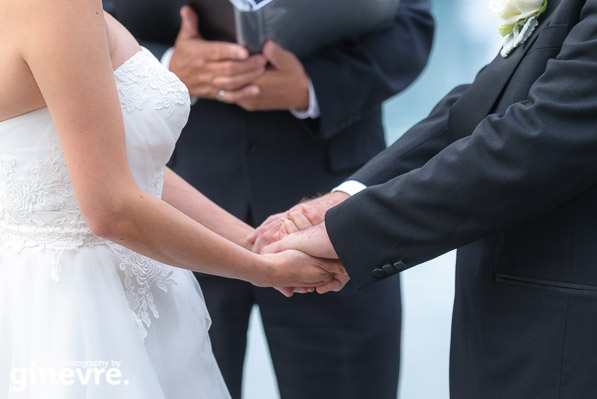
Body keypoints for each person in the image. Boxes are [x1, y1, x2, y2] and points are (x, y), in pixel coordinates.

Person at [0, 0, 346, 397]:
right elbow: (111, 208)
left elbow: (124, 166)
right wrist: (264, 270)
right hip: (85, 313)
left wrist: (258, 242)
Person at [257, 0, 597, 397]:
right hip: (504, 329)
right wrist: (344, 199)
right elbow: (488, 98)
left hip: (567, 346)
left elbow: (540, 138)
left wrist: (349, 232)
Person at [109, 0, 433, 398]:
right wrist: (165, 70)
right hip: (172, 215)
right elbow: (85, 21)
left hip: (330, 217)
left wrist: (315, 86)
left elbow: (411, 19)